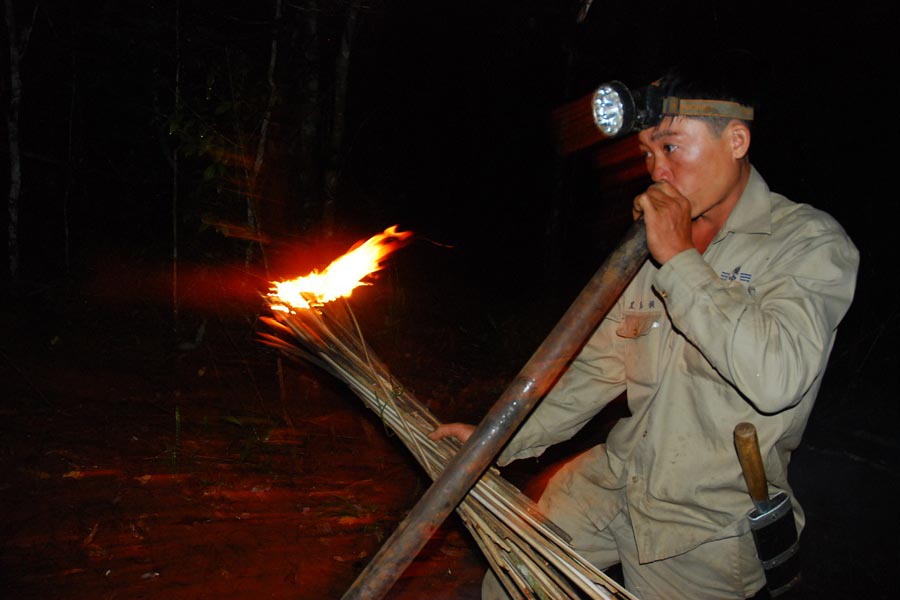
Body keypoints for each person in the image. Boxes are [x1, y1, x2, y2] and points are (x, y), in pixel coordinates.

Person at [430, 58, 859, 599]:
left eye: (673, 147)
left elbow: (777, 378)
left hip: (704, 528)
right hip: (613, 480)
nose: (658, 171)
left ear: (737, 141)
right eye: (648, 154)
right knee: (512, 583)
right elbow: (593, 369)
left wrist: (679, 256)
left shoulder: (809, 243)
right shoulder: (648, 250)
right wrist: (495, 439)